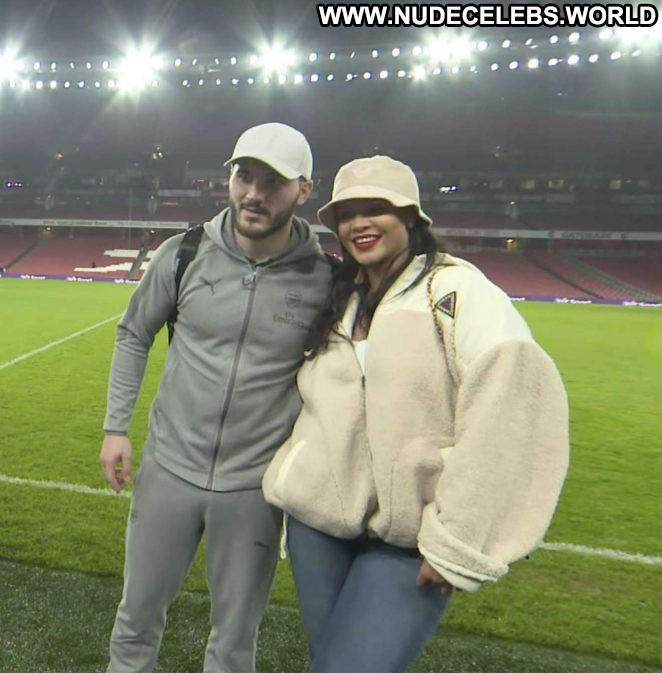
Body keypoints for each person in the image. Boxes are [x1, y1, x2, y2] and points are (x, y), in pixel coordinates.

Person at [263, 155, 569, 673]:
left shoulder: (455, 292)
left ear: (410, 217)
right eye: (347, 214)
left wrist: (458, 540)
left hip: (410, 538)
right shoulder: (340, 298)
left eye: (376, 209)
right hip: (319, 525)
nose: (359, 224)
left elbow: (509, 402)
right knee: (329, 662)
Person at [100, 122, 333, 673]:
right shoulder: (184, 253)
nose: (253, 193)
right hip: (168, 469)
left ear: (304, 189)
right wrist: (115, 428)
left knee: (234, 642)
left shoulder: (325, 278)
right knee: (135, 622)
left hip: (254, 487)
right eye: (243, 176)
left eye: (272, 182)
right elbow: (133, 333)